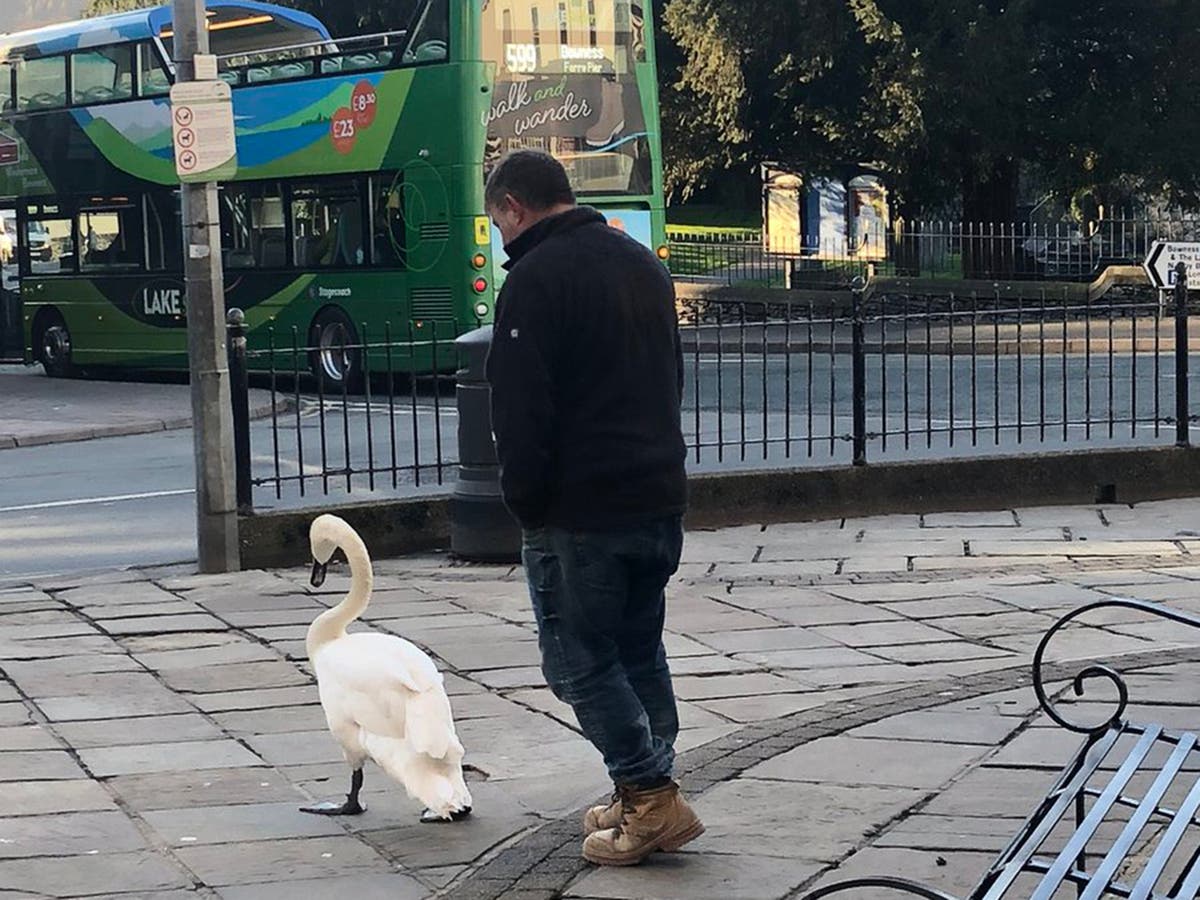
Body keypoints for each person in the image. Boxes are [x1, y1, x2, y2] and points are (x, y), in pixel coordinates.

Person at [484, 149, 703, 866]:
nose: (500, 237)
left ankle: (648, 797)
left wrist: (525, 504)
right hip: (656, 496)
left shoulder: (534, 282)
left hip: (581, 510)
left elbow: (522, 413)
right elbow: (669, 376)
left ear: (513, 207)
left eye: (497, 223)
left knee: (576, 661)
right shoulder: (641, 262)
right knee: (639, 646)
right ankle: (645, 785)